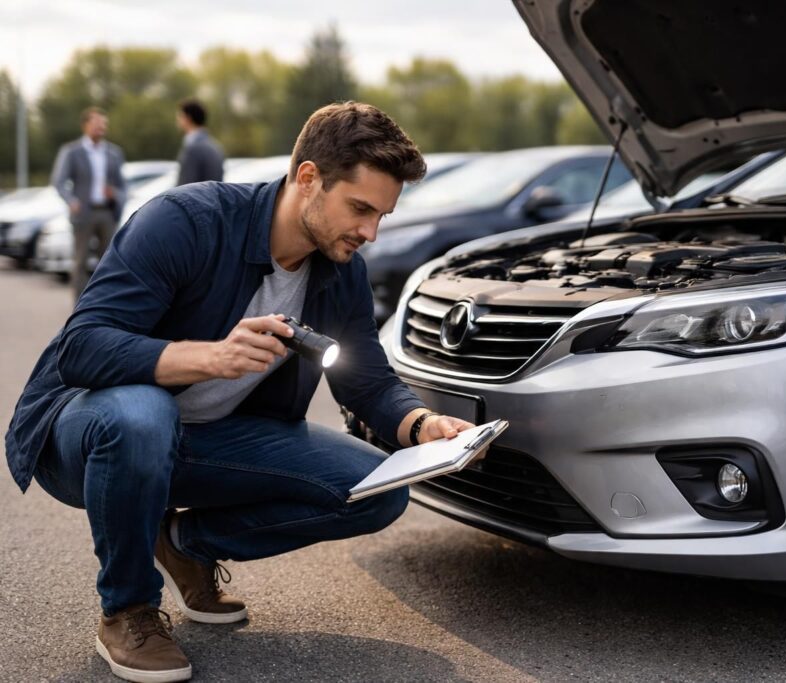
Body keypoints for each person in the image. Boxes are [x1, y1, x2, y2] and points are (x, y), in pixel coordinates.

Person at [6, 102, 474, 682]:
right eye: (360, 208)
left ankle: (183, 541)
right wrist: (209, 357)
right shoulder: (185, 221)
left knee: (380, 493)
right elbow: (82, 347)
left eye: (382, 214)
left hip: (208, 442)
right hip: (85, 434)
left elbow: (367, 379)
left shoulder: (341, 267)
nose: (370, 232)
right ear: (308, 179)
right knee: (143, 415)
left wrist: (424, 426)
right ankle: (128, 610)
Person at [50, 106, 127, 299]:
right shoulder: (72, 151)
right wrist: (71, 201)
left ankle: (107, 304)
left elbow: (123, 186)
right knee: (80, 263)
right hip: (83, 213)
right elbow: (58, 181)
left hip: (107, 214)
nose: (101, 127)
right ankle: (80, 307)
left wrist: (115, 194)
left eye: (104, 124)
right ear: (85, 125)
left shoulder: (114, 153)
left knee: (110, 262)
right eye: (97, 123)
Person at [175, 98, 225, 186]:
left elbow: (185, 188)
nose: (177, 120)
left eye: (180, 116)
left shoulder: (193, 148)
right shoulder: (215, 145)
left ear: (188, 118)